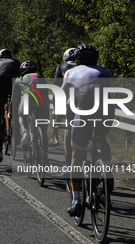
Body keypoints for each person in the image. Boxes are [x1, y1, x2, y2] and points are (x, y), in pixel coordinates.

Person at [61, 44, 114, 216]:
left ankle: (76, 201)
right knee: (101, 140)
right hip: (106, 112)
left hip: (83, 113)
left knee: (77, 156)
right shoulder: (106, 72)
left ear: (77, 60)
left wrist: (64, 117)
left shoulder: (70, 72)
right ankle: (106, 169)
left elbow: (64, 98)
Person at [10, 61, 50, 152]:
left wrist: (11, 113)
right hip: (43, 101)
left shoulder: (18, 79)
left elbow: (13, 101)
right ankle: (45, 156)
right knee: (44, 132)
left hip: (28, 99)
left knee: (22, 114)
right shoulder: (41, 76)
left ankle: (25, 132)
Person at [52, 48, 77, 177]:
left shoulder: (61, 67)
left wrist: (57, 110)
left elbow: (57, 90)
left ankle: (68, 165)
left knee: (68, 128)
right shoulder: (84, 66)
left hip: (71, 102)